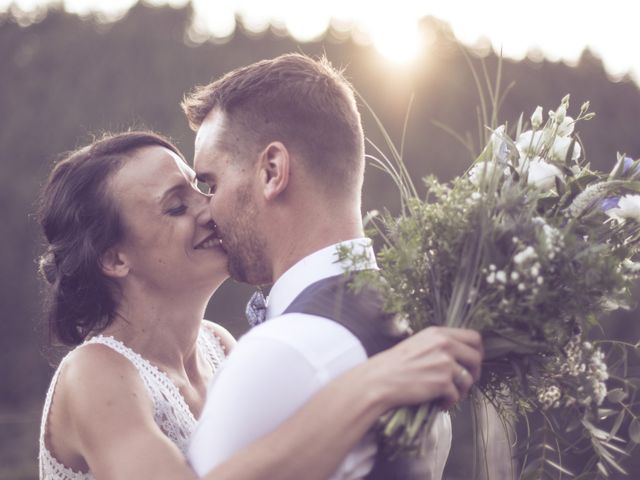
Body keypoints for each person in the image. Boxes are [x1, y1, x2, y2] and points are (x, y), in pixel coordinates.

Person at [37, 130, 481, 480]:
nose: (210, 208)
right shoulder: (93, 374)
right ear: (115, 258)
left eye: (199, 185)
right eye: (176, 206)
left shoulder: (220, 344)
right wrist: (370, 388)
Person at [185, 53, 483, 479]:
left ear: (272, 171)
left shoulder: (284, 351)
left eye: (210, 183)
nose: (206, 210)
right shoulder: (412, 333)